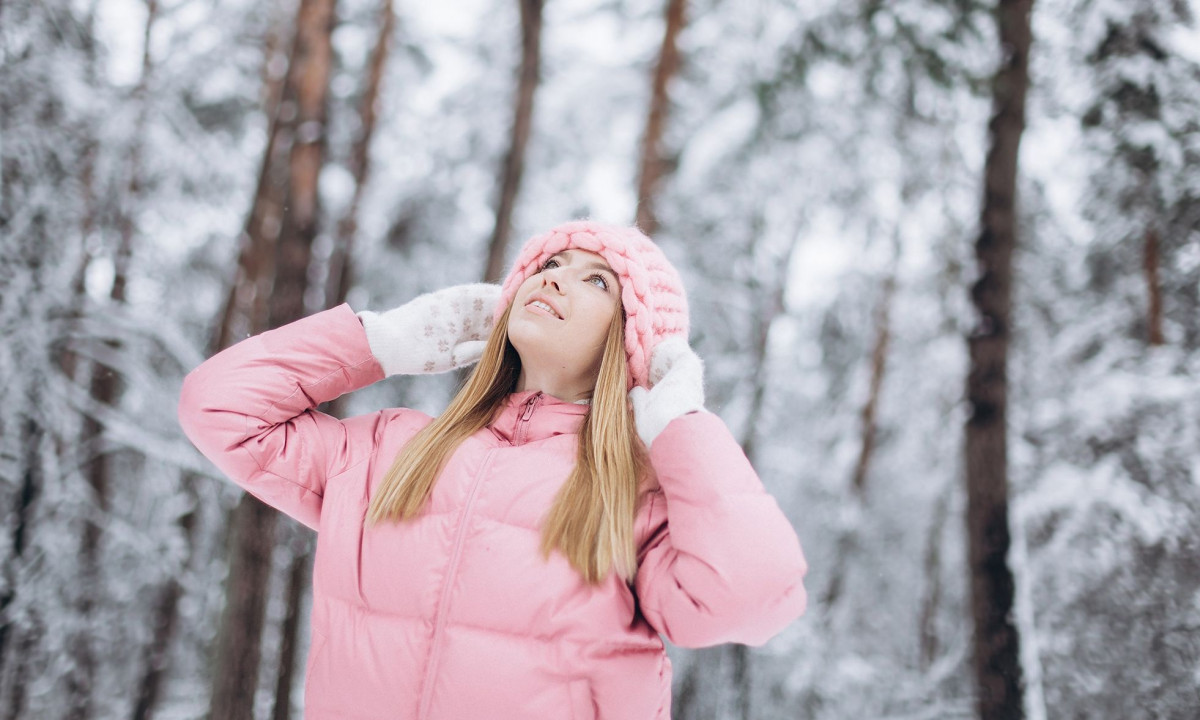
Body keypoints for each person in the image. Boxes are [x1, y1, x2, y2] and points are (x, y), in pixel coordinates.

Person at [178, 220, 807, 719]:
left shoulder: (636, 500)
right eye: (550, 264)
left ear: (635, 343)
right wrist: (387, 340)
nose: (556, 279)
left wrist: (678, 421)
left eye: (598, 282)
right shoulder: (388, 452)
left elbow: (752, 598)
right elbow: (218, 406)